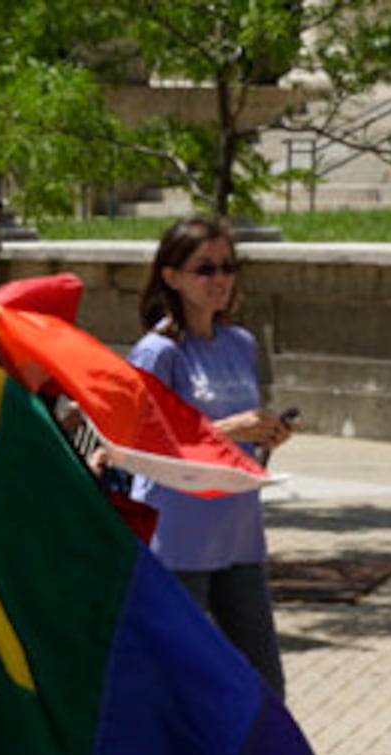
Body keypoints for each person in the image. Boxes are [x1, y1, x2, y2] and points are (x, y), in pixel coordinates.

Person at [128, 215, 295, 699]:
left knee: (265, 685)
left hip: (239, 534)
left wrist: (268, 434)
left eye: (228, 267)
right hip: (178, 541)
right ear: (171, 277)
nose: (220, 279)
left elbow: (240, 440)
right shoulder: (158, 352)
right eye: (205, 269)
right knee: (183, 686)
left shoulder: (240, 344)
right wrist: (228, 430)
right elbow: (141, 447)